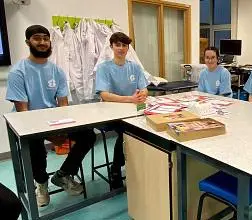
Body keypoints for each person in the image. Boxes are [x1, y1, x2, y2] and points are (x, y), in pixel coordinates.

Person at [5, 25, 96, 207]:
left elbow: (63, 103)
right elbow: (23, 111)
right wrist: (49, 135)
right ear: (28, 42)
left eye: (45, 38)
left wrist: (62, 129)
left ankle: (62, 175)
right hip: (28, 123)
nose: (42, 42)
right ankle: (41, 183)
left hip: (53, 121)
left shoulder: (57, 71)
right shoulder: (18, 72)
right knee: (35, 149)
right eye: (37, 38)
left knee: (87, 135)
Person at [95, 32, 148, 189]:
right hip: (111, 115)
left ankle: (139, 166)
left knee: (148, 128)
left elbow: (144, 88)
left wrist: (142, 94)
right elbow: (104, 95)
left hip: (132, 111)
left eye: (124, 45)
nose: (121, 48)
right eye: (117, 44)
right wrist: (130, 99)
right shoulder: (104, 68)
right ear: (111, 46)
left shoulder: (135, 67)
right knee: (128, 132)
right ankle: (116, 169)